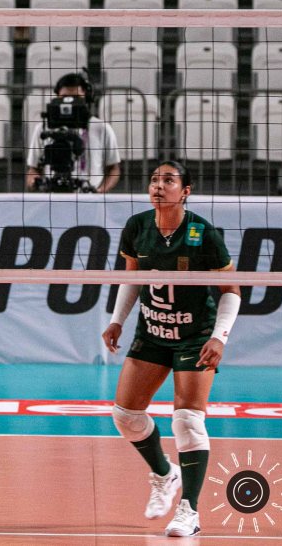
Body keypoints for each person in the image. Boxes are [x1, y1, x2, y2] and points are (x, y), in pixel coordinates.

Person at [104, 160, 241, 537]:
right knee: (125, 416)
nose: (158, 186)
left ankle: (189, 510)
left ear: (185, 191)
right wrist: (117, 320)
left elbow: (231, 290)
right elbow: (132, 279)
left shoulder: (203, 233)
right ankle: (165, 474)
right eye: (154, 180)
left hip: (194, 335)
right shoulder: (137, 227)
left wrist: (219, 337)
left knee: (187, 420)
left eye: (168, 180)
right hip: (152, 332)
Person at [25, 73, 121, 194]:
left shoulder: (102, 128)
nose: (70, 103)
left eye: (76, 97)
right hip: (53, 197)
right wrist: (34, 183)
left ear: (86, 98)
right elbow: (33, 169)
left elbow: (113, 169)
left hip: (89, 197)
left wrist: (100, 191)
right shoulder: (42, 128)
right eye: (64, 97)